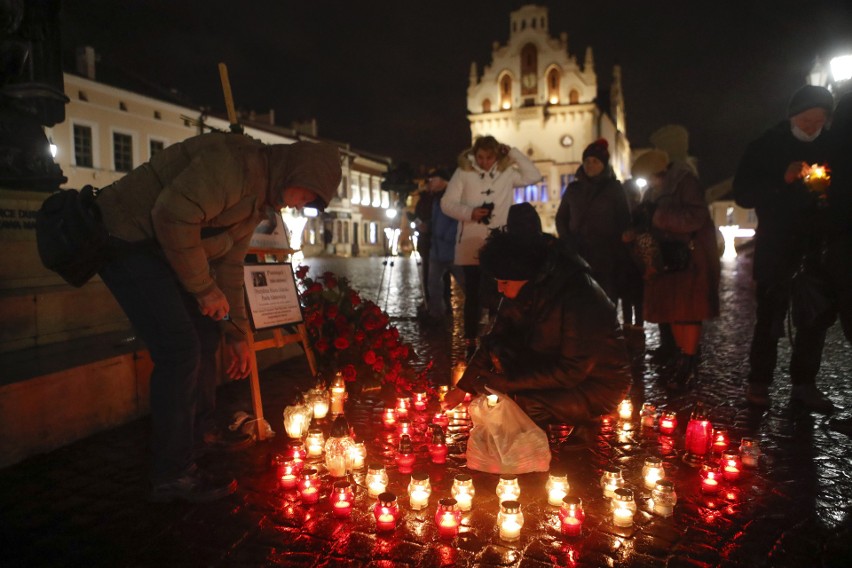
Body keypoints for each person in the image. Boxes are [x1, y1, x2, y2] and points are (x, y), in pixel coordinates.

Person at [95, 132, 342, 502]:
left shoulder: (259, 202)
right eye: (304, 196)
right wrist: (202, 289)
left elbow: (229, 265)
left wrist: (236, 332)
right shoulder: (236, 166)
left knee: (207, 335)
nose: (298, 205)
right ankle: (172, 474)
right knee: (179, 349)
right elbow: (171, 214)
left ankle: (197, 434)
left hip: (160, 249)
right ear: (295, 174)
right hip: (126, 239)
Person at [442, 203, 632, 429]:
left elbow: (572, 370)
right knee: (503, 362)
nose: (500, 290)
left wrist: (508, 383)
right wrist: (463, 388)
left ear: (527, 277)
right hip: (552, 363)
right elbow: (494, 340)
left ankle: (566, 441)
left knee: (524, 403)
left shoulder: (578, 294)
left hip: (597, 384)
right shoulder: (524, 289)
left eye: (504, 283)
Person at [733, 85, 835, 412]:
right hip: (777, 246)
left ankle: (804, 385)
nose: (810, 128)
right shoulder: (765, 146)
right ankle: (758, 382)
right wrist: (783, 179)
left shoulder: (833, 146)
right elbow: (744, 194)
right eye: (805, 121)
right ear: (793, 116)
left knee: (814, 320)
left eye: (817, 122)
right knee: (770, 319)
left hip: (817, 248)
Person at [440, 135, 541, 356]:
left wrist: (513, 153)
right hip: (471, 242)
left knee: (500, 293)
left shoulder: (506, 173)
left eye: (490, 157)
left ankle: (497, 339)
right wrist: (470, 213)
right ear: (475, 155)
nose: (485, 162)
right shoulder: (464, 173)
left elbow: (534, 175)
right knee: (473, 295)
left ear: (497, 155)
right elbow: (446, 203)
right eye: (481, 157)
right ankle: (470, 341)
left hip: (499, 244)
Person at [639, 127, 721, 391]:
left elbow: (696, 217)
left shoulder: (685, 181)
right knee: (673, 311)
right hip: (667, 258)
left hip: (689, 258)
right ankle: (680, 358)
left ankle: (688, 361)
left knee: (688, 312)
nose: (649, 184)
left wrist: (659, 216)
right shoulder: (654, 190)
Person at [555, 138, 631, 303]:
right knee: (580, 299)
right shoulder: (573, 189)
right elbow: (561, 217)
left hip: (606, 256)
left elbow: (624, 219)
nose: (590, 165)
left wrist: (618, 247)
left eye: (595, 161)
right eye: (587, 161)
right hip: (578, 253)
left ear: (603, 164)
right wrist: (566, 239)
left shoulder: (614, 189)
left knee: (605, 300)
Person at [420, 167, 460, 324]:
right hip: (436, 250)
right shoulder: (437, 198)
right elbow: (438, 221)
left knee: (465, 285)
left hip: (453, 251)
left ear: (443, 181)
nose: (430, 182)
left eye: (433, 179)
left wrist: (446, 237)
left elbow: (458, 220)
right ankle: (436, 316)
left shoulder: (454, 196)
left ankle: (480, 313)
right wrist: (427, 226)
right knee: (433, 285)